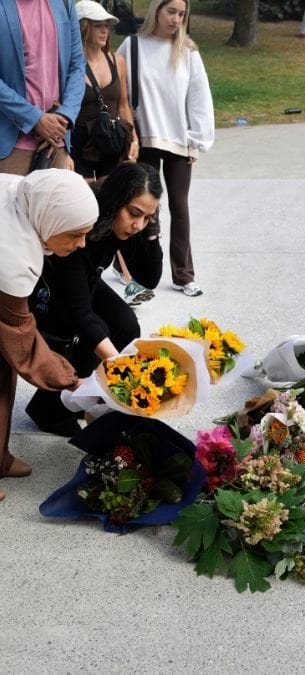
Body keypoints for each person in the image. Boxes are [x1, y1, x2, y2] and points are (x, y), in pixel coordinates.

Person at [25, 162, 162, 437]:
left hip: (87, 280)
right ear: (116, 201)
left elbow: (147, 279)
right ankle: (50, 409)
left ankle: (74, 398)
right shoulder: (82, 222)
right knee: (92, 331)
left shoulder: (129, 224)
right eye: (134, 213)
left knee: (126, 325)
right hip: (51, 287)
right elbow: (80, 310)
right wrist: (124, 367)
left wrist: (151, 232)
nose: (137, 224)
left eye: (147, 216)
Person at [0, 169, 94, 504]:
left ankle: (0, 457)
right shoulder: (11, 255)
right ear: (49, 222)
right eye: (74, 234)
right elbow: (22, 340)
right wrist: (71, 379)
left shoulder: (25, 195)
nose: (81, 244)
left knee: (2, 372)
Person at [115, 0, 212, 298]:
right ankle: (131, 269)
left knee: (179, 207)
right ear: (157, 10)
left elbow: (199, 97)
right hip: (144, 138)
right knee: (143, 208)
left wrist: (197, 139)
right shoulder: (131, 46)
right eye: (171, 12)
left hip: (179, 140)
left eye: (182, 14)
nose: (176, 19)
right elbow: (116, 90)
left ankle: (184, 274)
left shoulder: (188, 52)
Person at [0, 0, 87, 176]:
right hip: (10, 146)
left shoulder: (64, 3)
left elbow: (77, 65)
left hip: (56, 144)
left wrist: (64, 116)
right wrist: (35, 119)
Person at [71, 0, 139, 182]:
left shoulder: (118, 61)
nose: (105, 31)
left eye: (106, 25)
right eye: (97, 26)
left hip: (112, 139)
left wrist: (133, 138)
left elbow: (124, 105)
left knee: (112, 198)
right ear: (83, 27)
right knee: (84, 201)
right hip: (80, 141)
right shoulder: (69, 64)